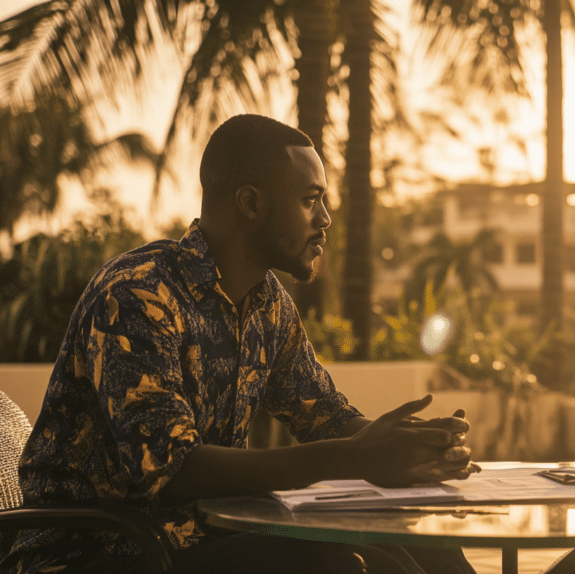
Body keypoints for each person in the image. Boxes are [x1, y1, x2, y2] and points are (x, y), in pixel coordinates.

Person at [1, 114, 480, 574]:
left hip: (203, 543)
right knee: (330, 564)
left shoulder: (268, 304)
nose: (327, 218)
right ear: (251, 204)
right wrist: (357, 456)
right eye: (311, 199)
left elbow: (326, 419)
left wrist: (413, 444)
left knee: (424, 547)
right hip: (98, 555)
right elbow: (174, 471)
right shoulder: (137, 295)